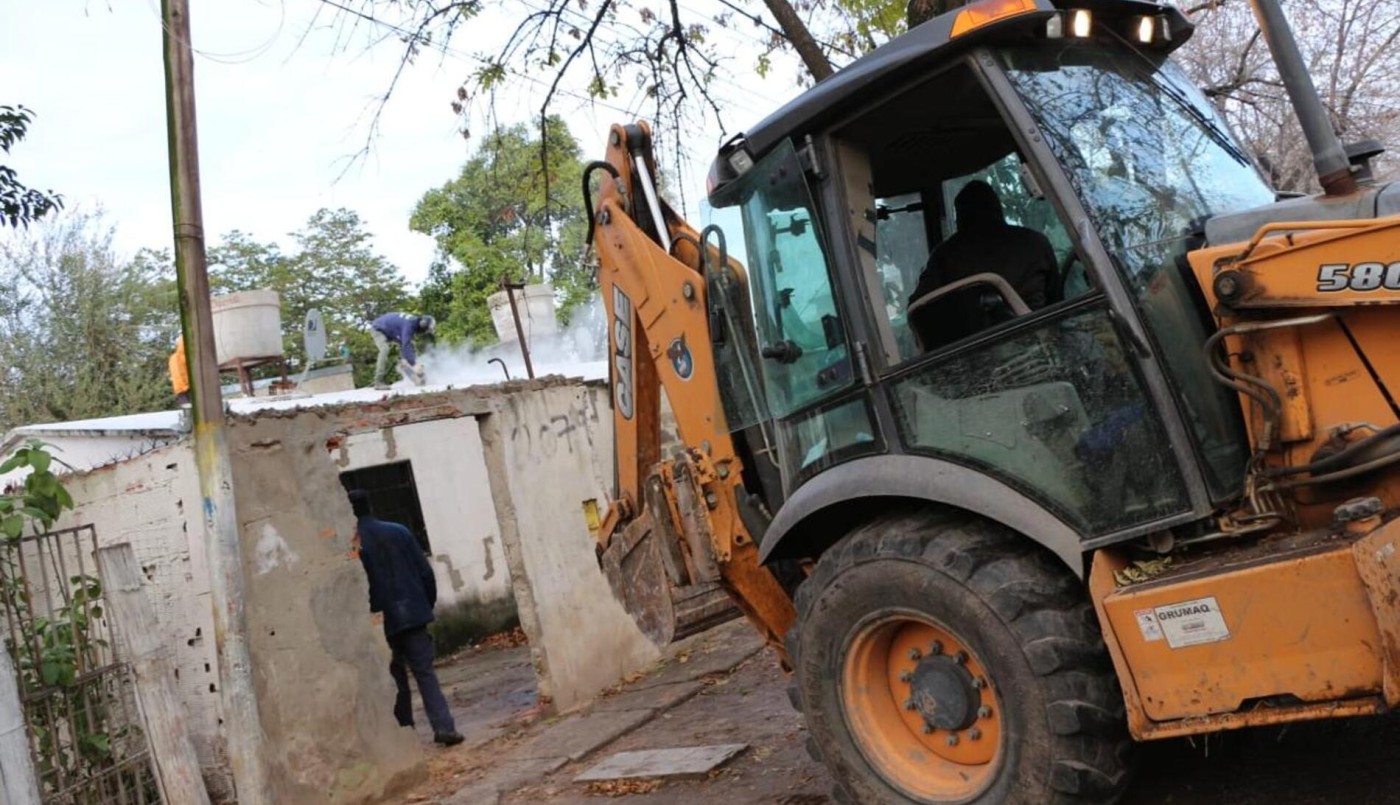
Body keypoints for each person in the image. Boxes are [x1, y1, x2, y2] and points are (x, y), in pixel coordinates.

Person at [348, 489, 464, 746]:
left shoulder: (354, 546)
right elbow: (425, 573)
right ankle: (444, 727)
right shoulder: (399, 531)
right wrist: (425, 605)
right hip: (413, 614)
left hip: (381, 623)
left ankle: (407, 736)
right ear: (370, 506)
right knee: (425, 674)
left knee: (395, 680)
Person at [907, 180, 1058, 350]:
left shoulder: (944, 256)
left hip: (970, 354)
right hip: (1037, 344)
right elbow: (1057, 301)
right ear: (998, 209)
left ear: (959, 217)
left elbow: (919, 310)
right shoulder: (1035, 243)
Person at [370, 313, 436, 389]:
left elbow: (406, 346)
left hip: (391, 331)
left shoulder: (413, 323)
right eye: (426, 330)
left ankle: (417, 380)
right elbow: (406, 345)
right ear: (422, 325)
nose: (424, 332)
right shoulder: (409, 325)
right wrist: (415, 364)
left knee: (406, 354)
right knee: (385, 349)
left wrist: (412, 362)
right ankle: (378, 382)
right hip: (378, 329)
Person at [169, 335, 190, 406]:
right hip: (185, 390)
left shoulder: (174, 357)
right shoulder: (179, 357)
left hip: (182, 390)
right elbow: (179, 374)